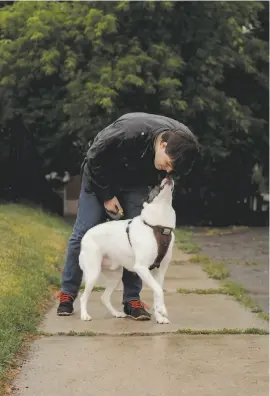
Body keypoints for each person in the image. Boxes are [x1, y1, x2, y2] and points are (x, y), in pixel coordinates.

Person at [57, 112, 199, 320]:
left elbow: (170, 168)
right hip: (100, 176)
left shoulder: (184, 141)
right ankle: (67, 294)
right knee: (83, 232)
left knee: (139, 239)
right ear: (162, 145)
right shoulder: (128, 131)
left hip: (136, 183)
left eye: (172, 169)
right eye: (168, 163)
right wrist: (106, 196)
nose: (168, 171)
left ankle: (132, 300)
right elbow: (94, 156)